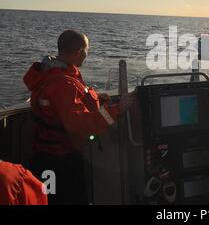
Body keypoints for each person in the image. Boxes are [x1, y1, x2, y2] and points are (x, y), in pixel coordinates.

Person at [23, 30, 133, 205]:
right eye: (86, 50)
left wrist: (98, 99)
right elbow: (82, 126)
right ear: (78, 52)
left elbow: (67, 106)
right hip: (60, 162)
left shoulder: (53, 73)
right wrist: (118, 108)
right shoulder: (64, 84)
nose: (87, 54)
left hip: (46, 157)